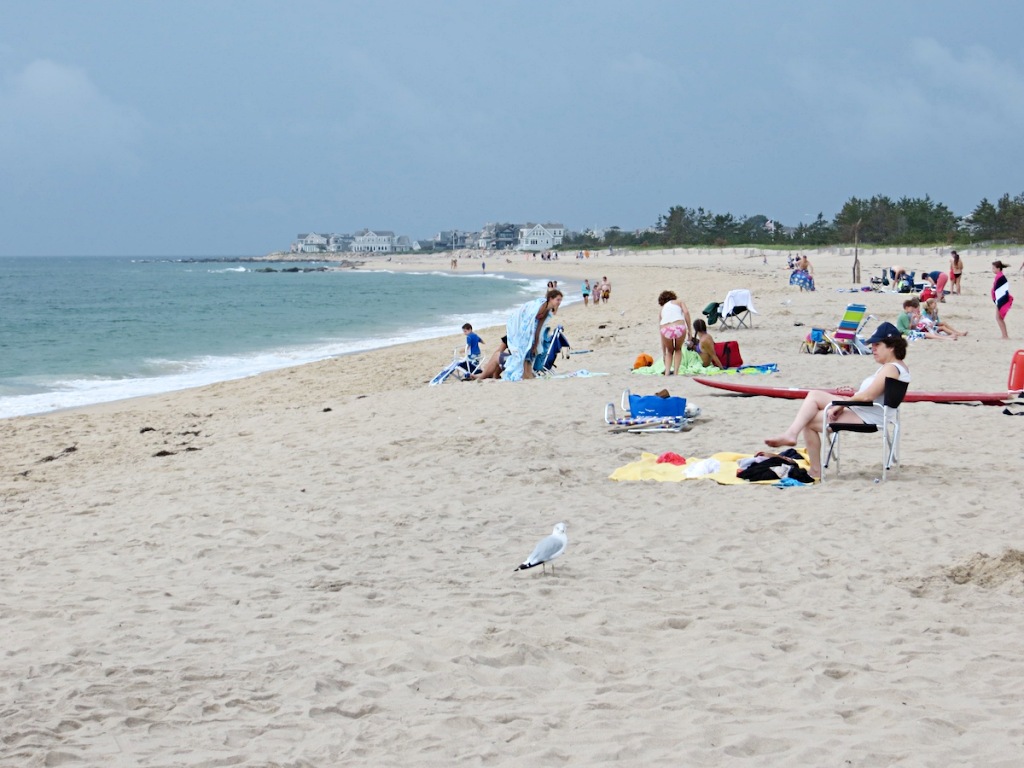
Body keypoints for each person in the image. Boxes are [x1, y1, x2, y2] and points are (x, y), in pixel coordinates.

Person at [765, 322, 910, 480]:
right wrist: (853, 395)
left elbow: (869, 396)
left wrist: (842, 404)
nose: (872, 348)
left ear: (891, 346)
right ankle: (791, 434)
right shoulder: (896, 367)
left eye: (877, 344)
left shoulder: (891, 368)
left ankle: (815, 469)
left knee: (808, 422)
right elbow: (873, 394)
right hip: (865, 409)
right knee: (814, 395)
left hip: (867, 415)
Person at [502, 289, 563, 381]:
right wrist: (527, 336)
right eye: (558, 300)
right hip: (520, 323)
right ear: (551, 298)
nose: (559, 302)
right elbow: (528, 319)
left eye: (560, 300)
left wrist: (536, 342)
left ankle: (527, 373)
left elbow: (539, 327)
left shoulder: (547, 310)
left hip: (531, 328)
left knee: (533, 349)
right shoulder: (541, 306)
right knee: (525, 347)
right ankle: (525, 374)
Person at [657, 290, 692, 376]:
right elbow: (686, 313)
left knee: (669, 351)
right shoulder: (679, 302)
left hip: (665, 329)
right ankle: (676, 372)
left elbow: (661, 331)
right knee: (678, 349)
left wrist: (663, 353)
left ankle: (667, 372)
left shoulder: (662, 310)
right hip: (679, 327)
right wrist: (690, 330)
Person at [992, 260, 1013, 339]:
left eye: (994, 268)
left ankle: (1005, 335)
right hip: (1000, 299)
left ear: (998, 268)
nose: (992, 270)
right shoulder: (1000, 276)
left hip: (1001, 299)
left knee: (998, 318)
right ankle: (1004, 335)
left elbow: (1001, 290)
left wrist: (998, 300)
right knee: (999, 318)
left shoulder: (1000, 277)